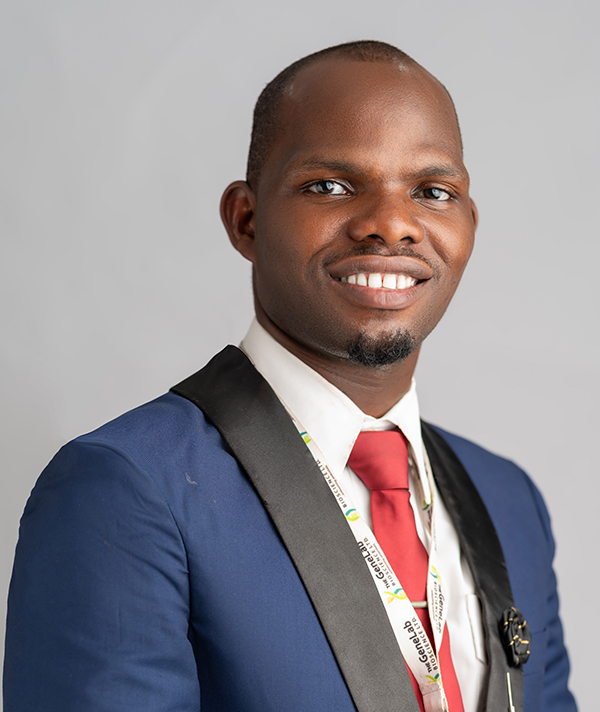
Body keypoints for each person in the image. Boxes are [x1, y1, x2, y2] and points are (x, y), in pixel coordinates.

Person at [3, 41, 577, 712]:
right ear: (246, 220)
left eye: (431, 192)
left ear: (468, 226)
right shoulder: (127, 489)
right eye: (330, 186)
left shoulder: (509, 501)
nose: (392, 224)